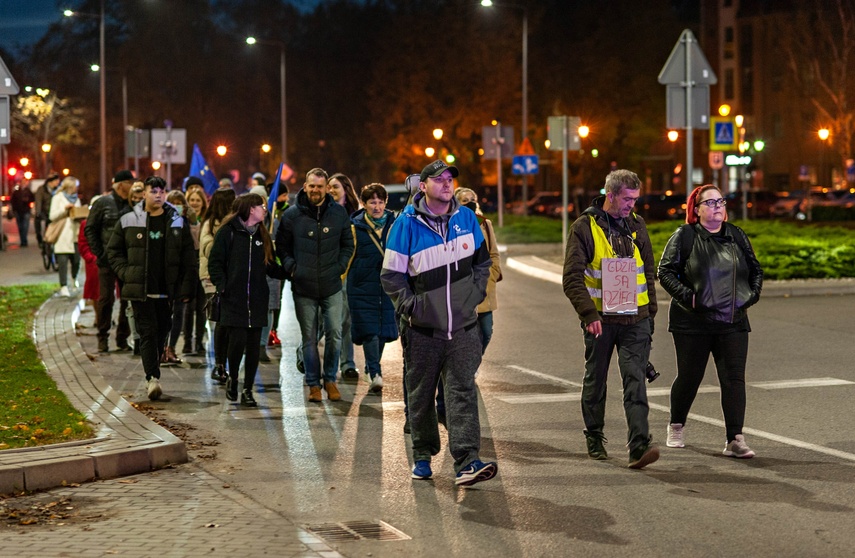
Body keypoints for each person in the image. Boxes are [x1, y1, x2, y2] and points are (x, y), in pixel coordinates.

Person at [381, 160, 497, 487]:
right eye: (439, 179)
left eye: (450, 179)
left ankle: (467, 460)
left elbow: (482, 262)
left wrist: (473, 297)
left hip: (462, 327)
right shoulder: (405, 225)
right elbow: (391, 276)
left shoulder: (466, 219)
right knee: (422, 394)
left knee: (462, 391)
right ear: (423, 186)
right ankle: (422, 453)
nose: (446, 184)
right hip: (422, 330)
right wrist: (413, 308)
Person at [562, 169, 659, 469]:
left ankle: (639, 446)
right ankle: (594, 435)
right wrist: (588, 314)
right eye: (627, 199)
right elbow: (572, 278)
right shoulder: (584, 227)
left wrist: (650, 315)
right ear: (611, 195)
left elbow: (648, 273)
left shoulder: (637, 226)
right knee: (596, 379)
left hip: (636, 319)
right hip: (600, 320)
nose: (632, 205)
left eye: (635, 199)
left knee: (635, 381)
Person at [657, 184, 763, 458]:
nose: (718, 206)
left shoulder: (736, 235)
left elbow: (755, 270)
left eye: (721, 201)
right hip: (693, 322)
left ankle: (735, 439)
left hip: (733, 320)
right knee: (690, 376)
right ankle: (676, 425)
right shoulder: (686, 236)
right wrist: (690, 299)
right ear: (697, 209)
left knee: (734, 379)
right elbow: (665, 271)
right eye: (711, 202)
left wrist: (750, 297)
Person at [107, 176, 197, 401]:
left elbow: (188, 256)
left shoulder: (176, 220)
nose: (158, 195)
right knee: (147, 332)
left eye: (162, 191)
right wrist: (127, 273)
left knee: (162, 331)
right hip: (141, 289)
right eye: (153, 191)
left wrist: (185, 287)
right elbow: (114, 251)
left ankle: (153, 371)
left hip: (167, 290)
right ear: (144, 193)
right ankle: (152, 378)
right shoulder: (129, 219)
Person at [276, 168, 354, 403]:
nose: (315, 190)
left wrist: (339, 267)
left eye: (320, 186)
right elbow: (282, 246)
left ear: (326, 188)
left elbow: (347, 245)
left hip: (331, 285)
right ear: (305, 186)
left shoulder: (338, 213)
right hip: (303, 286)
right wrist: (292, 267)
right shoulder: (291, 215)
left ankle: (330, 379)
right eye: (312, 186)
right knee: (309, 338)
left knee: (334, 333)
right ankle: (313, 384)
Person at [208, 193, 286, 405]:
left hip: (258, 299)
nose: (265, 210)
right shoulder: (228, 232)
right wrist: (224, 287)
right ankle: (233, 378)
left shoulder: (262, 234)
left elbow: (270, 265)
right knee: (236, 344)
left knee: (253, 347)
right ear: (251, 209)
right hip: (234, 299)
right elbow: (215, 263)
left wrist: (290, 272)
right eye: (262, 206)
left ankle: (248, 389)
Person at [348, 183, 398, 394]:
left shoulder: (396, 225)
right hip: (361, 286)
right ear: (364, 204)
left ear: (385, 203)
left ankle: (371, 367)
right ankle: (375, 373)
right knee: (370, 331)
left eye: (380, 202)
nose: (376, 207)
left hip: (389, 286)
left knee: (385, 331)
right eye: (372, 202)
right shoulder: (353, 226)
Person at [85, 170, 135, 353]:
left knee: (127, 299)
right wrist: (99, 253)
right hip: (107, 261)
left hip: (127, 260)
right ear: (121, 184)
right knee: (106, 299)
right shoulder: (103, 203)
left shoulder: (133, 204)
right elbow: (90, 229)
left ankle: (122, 337)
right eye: (130, 182)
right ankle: (103, 336)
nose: (133, 186)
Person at [454, 187, 501, 355]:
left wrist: (492, 274)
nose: (470, 203)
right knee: (465, 334)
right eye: (465, 201)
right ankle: (467, 368)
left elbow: (494, 253)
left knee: (486, 332)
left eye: (472, 199)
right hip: (463, 290)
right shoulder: (451, 225)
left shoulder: (485, 224)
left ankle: (473, 364)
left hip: (484, 288)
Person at [200, 188, 237, 383]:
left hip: (231, 277)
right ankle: (220, 364)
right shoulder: (210, 224)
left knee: (227, 321)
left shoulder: (235, 223)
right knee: (220, 321)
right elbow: (207, 248)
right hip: (212, 277)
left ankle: (225, 363)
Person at [327, 172, 361, 380]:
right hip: (328, 272)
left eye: (336, 186)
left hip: (350, 273)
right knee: (329, 321)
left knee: (345, 319)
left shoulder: (356, 217)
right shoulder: (323, 214)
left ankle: (347, 363)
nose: (331, 190)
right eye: (329, 186)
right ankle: (304, 354)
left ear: (346, 191)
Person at [162, 190, 190, 365]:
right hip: (166, 278)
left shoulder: (186, 224)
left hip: (180, 277)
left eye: (180, 203)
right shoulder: (164, 223)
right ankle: (162, 349)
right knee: (164, 315)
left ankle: (170, 348)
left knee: (179, 313)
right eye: (174, 203)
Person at [183, 186, 208, 355]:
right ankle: (187, 342)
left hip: (202, 265)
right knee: (188, 307)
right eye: (192, 200)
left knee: (201, 307)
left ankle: (199, 341)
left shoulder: (207, 220)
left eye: (198, 200)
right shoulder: (181, 219)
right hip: (187, 267)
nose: (195, 203)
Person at [49, 177, 83, 297]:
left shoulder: (76, 199)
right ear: (70, 186)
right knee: (62, 261)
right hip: (62, 235)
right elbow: (52, 216)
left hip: (75, 233)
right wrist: (64, 209)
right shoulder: (57, 198)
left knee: (76, 260)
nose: (77, 188)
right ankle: (63, 286)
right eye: (75, 186)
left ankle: (74, 279)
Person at [34, 173, 60, 247]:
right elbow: (38, 201)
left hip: (54, 212)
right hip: (44, 212)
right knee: (39, 226)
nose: (58, 182)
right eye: (56, 181)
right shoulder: (42, 189)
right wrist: (38, 212)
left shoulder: (58, 190)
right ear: (50, 182)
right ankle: (41, 241)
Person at [10, 183, 35, 247]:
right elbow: (13, 201)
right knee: (20, 226)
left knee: (25, 226)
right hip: (18, 211)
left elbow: (33, 198)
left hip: (26, 210)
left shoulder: (28, 191)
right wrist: (14, 209)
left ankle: (24, 240)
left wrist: (28, 200)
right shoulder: (16, 192)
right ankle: (22, 240)